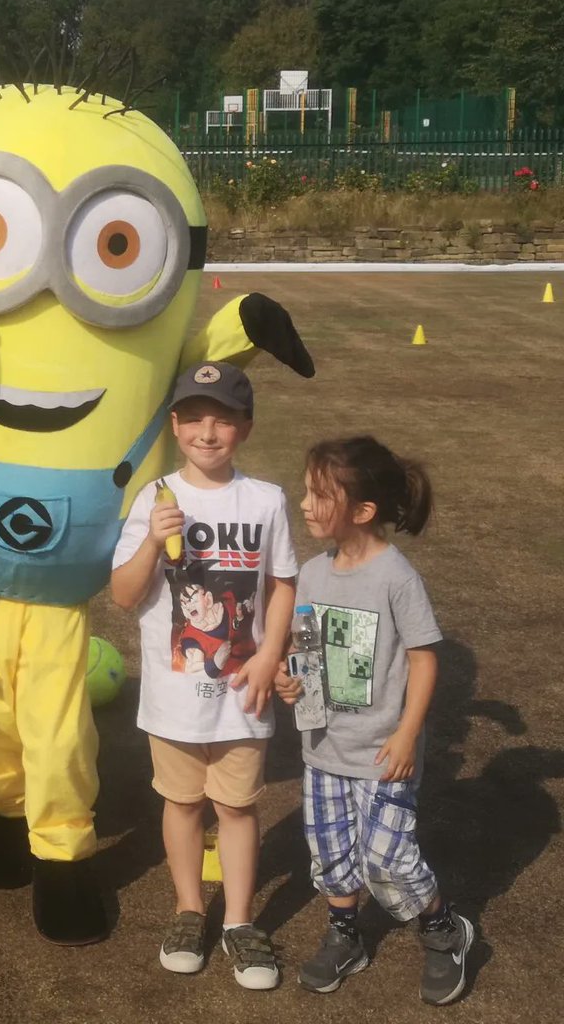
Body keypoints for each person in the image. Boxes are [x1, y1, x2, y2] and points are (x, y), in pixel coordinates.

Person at [112, 361, 297, 989]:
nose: (207, 432)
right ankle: (190, 909)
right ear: (175, 424)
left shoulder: (266, 499)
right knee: (183, 802)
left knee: (238, 807)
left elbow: (282, 583)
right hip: (174, 696)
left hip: (243, 694)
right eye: (194, 418)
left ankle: (240, 923)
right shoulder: (156, 497)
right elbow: (122, 594)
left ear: (244, 427)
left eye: (222, 419)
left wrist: (271, 653)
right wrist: (149, 543)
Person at [274, 436, 473, 1006]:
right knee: (331, 853)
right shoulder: (312, 573)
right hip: (322, 751)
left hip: (383, 752)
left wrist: (408, 732)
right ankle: (346, 935)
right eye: (307, 492)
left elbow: (423, 656)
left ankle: (443, 930)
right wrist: (293, 680)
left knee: (388, 858)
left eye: (319, 495)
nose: (306, 505)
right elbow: (304, 647)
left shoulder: (396, 577)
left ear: (362, 511)